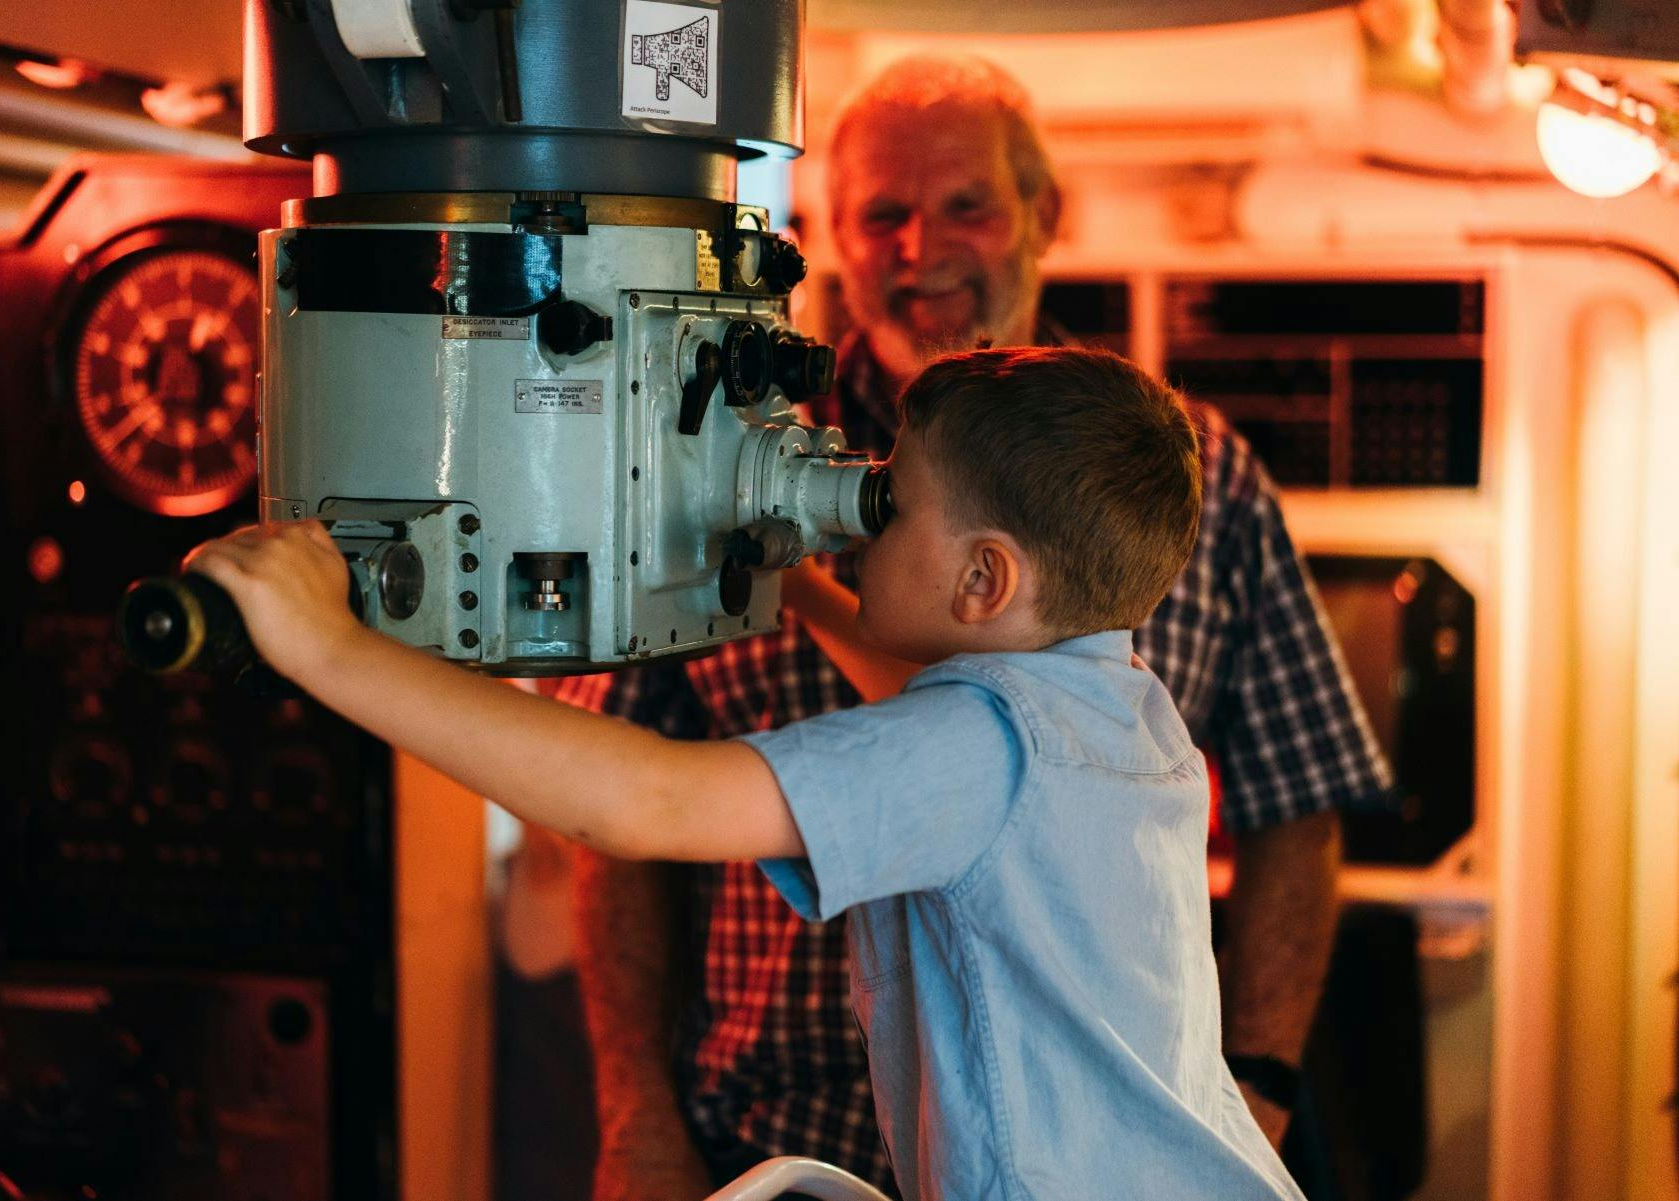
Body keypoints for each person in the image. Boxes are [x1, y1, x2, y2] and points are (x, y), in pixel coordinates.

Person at [185, 345, 1304, 1201]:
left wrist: (326, 647)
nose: (862, 523)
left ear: (982, 578)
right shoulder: (1116, 709)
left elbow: (644, 800)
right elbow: (925, 684)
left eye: (889, 503)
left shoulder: (979, 748)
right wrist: (794, 577)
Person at [558, 54, 1391, 1199]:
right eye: (883, 215)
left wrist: (1244, 1088)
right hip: (770, 1134)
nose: (919, 247)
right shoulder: (729, 457)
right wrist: (633, 1111)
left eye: (965, 205)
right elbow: (615, 844)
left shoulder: (1182, 481)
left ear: (1043, 215)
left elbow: (1298, 803)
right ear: (836, 238)